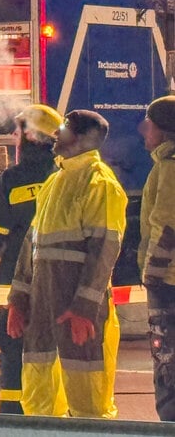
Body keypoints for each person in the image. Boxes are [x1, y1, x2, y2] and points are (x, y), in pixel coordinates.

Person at [7, 109, 125, 418]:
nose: (57, 134)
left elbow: (104, 251)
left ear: (85, 138)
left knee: (90, 404)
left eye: (66, 128)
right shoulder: (53, 183)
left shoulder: (100, 183)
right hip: (43, 309)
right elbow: (31, 248)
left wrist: (85, 308)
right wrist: (18, 300)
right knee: (39, 402)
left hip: (77, 311)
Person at [0, 104, 60, 413]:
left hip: (16, 277)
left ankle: (13, 411)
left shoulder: (11, 180)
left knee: (10, 337)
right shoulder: (62, 176)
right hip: (57, 276)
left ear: (30, 136)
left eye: (18, 132)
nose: (14, 138)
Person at [136, 95, 175, 420]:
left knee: (167, 362)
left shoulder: (170, 166)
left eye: (148, 124)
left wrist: (152, 273)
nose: (142, 130)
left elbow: (167, 225)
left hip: (167, 283)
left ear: (163, 129)